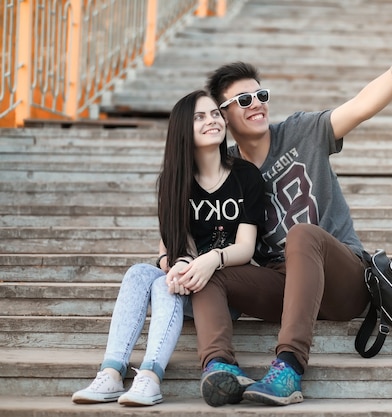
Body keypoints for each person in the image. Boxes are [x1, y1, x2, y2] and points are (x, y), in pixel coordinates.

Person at [192, 29, 392, 407]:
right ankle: (219, 367)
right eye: (244, 99)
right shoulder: (227, 171)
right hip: (283, 284)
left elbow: (361, 105)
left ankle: (289, 367)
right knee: (209, 273)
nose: (257, 104)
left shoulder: (303, 131)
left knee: (302, 235)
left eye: (261, 95)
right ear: (224, 115)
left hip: (342, 277)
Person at [71, 90, 265, 407]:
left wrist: (209, 262)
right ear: (182, 130)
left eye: (215, 113)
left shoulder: (246, 176)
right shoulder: (174, 181)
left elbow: (246, 247)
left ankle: (150, 377)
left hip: (222, 290)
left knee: (164, 286)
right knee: (139, 274)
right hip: (183, 281)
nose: (212, 121)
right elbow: (174, 241)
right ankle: (112, 373)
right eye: (199, 117)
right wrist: (173, 261)